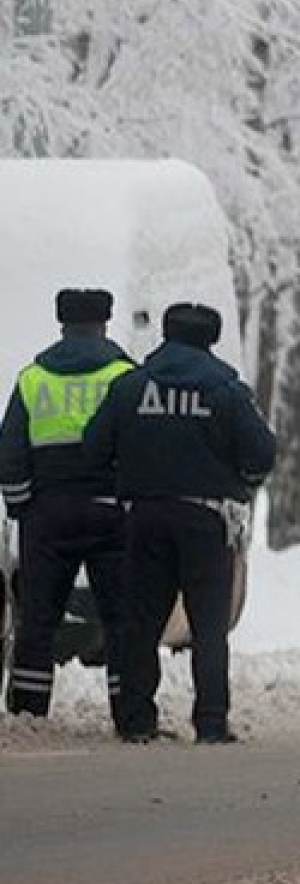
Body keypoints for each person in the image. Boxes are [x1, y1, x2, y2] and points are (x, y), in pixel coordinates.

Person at [85, 302, 275, 744]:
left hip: (144, 517)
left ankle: (135, 721)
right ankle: (210, 722)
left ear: (166, 336)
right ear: (210, 339)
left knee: (141, 623)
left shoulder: (129, 387)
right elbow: (261, 453)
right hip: (206, 521)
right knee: (208, 627)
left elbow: (94, 448)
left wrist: (129, 477)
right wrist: (241, 482)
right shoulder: (227, 391)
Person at [0, 289, 137, 730]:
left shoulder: (33, 379)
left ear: (62, 323)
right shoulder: (124, 376)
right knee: (119, 617)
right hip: (109, 511)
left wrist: (21, 504)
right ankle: (128, 712)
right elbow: (142, 446)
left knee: (38, 618)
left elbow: (10, 451)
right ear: (105, 322)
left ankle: (28, 712)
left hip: (48, 514)